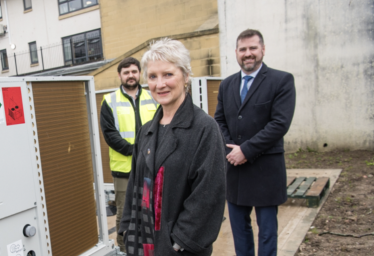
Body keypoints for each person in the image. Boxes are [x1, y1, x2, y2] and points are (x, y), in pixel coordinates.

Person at [118, 38, 226, 256]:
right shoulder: (147, 130)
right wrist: (127, 229)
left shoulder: (204, 128)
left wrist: (178, 243)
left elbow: (208, 196)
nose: (160, 84)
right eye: (153, 76)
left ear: (185, 76)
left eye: (168, 74)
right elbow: (134, 186)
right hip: (144, 246)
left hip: (179, 250)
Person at [214, 29, 296, 256]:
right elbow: (219, 120)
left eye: (252, 48)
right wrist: (231, 149)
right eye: (243, 49)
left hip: (265, 171)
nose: (248, 54)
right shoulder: (226, 85)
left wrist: (246, 150)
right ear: (236, 53)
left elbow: (279, 124)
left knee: (267, 232)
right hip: (235, 171)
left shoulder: (282, 80)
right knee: (240, 231)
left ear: (263, 50)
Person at [100, 57, 158, 252]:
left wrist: (149, 152)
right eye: (126, 72)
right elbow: (110, 135)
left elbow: (163, 127)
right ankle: (125, 249)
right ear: (120, 75)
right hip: (123, 169)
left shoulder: (153, 97)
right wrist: (137, 151)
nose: (130, 75)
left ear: (139, 73)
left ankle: (150, 248)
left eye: (134, 71)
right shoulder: (109, 100)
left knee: (152, 209)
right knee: (124, 212)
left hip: (152, 165)